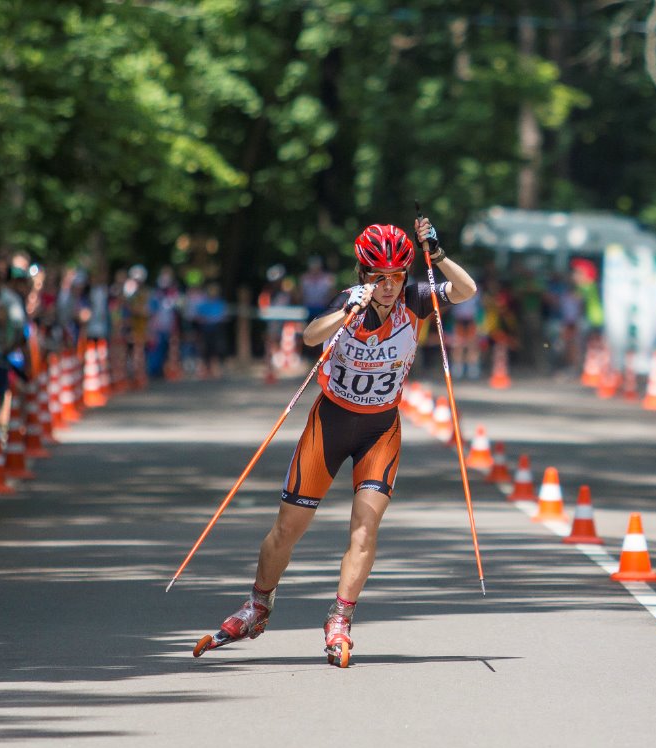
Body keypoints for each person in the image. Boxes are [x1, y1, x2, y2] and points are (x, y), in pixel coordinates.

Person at [193, 217, 477, 667]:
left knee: (365, 526)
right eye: (379, 277)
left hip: (380, 430)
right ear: (363, 273)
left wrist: (437, 256)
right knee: (288, 528)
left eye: (396, 276)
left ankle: (340, 619)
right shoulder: (350, 301)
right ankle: (258, 605)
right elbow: (309, 336)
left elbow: (465, 291)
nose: (388, 286)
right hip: (330, 422)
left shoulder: (414, 299)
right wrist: (346, 312)